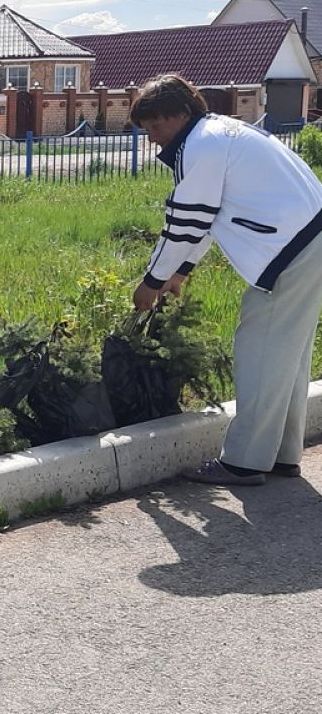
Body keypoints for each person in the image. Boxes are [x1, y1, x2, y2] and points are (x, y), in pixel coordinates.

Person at [129, 74, 322, 486]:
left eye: (155, 126)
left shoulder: (201, 145)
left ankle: (245, 462)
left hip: (290, 250)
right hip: (307, 240)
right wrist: (180, 271)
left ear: (181, 113)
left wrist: (152, 281)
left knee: (261, 353)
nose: (152, 139)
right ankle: (282, 455)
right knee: (287, 356)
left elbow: (186, 221)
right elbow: (209, 218)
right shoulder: (220, 132)